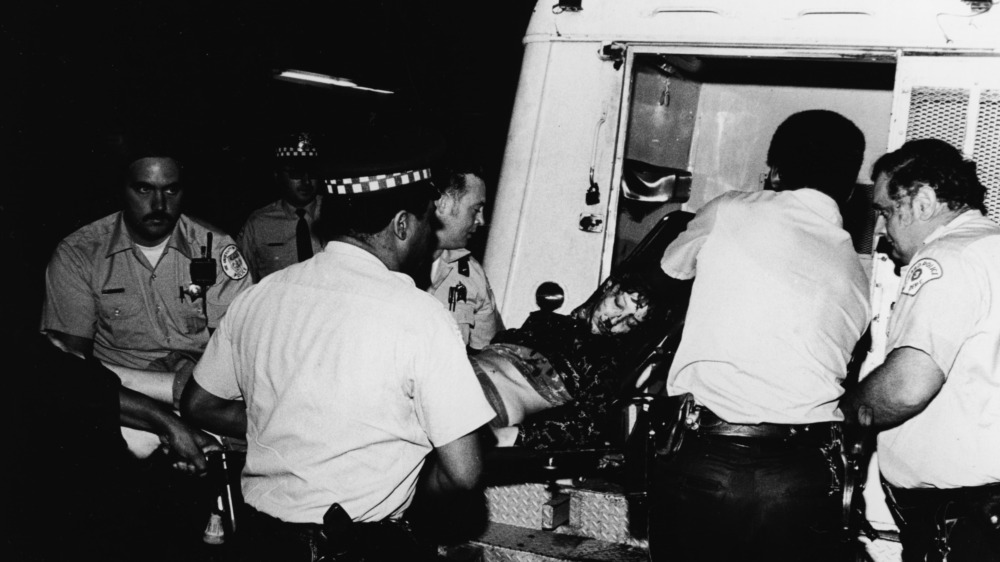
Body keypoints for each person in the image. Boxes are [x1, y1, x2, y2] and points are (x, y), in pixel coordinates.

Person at [180, 146, 496, 561]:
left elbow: (199, 403)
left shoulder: (260, 296)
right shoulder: (420, 316)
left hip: (258, 541)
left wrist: (287, 423)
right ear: (402, 225)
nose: (429, 233)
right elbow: (464, 472)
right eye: (425, 222)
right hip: (361, 547)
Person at [647, 110, 871, 561]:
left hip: (709, 459)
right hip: (806, 472)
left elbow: (667, 272)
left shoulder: (731, 210)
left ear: (774, 171)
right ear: (848, 188)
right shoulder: (857, 270)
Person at [841, 139, 1000, 561]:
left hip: (961, 519)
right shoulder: (991, 249)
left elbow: (908, 386)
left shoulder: (945, 259)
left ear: (924, 202)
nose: (880, 229)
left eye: (887, 212)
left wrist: (843, 415)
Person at [426, 162, 504, 351]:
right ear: (444, 203)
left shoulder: (470, 274)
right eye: (476, 210)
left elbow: (491, 355)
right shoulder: (392, 264)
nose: (481, 221)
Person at [236, 132, 325, 282]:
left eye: (312, 172)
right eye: (296, 173)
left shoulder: (335, 213)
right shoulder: (258, 224)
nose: (306, 181)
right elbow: (242, 281)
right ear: (278, 176)